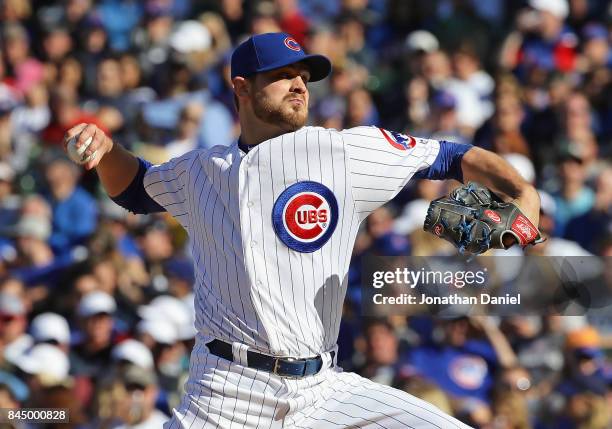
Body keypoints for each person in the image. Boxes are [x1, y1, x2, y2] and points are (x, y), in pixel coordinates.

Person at [63, 32, 540, 428]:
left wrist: (523, 193)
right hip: (224, 394)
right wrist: (106, 151)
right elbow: (138, 188)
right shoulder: (200, 171)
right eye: (283, 75)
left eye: (304, 76)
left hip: (322, 390)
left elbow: (451, 157)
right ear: (242, 88)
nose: (299, 85)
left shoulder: (345, 152)